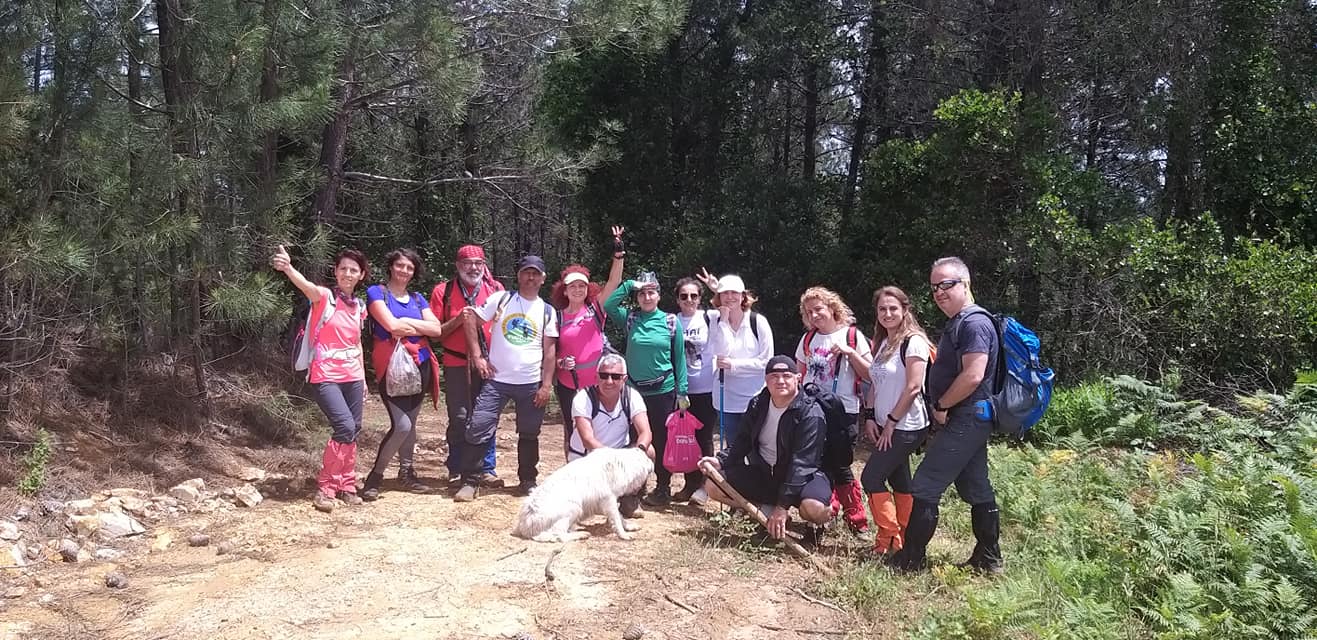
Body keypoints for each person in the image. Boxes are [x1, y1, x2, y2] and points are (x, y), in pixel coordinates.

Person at [888, 257, 1003, 573]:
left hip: (966, 417)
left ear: (965, 284)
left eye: (946, 284)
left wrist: (941, 406)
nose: (939, 292)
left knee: (925, 484)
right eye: (934, 287)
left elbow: (973, 375)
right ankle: (989, 558)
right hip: (970, 417)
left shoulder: (974, 324)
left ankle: (911, 559)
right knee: (975, 486)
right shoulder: (961, 322)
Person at [271, 245, 370, 513]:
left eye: (353, 270)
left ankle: (346, 485)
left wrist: (363, 379)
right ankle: (325, 487)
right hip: (325, 375)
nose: (348, 273)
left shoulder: (359, 306)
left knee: (353, 429)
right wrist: (288, 269)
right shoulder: (326, 297)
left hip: (352, 375)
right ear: (335, 272)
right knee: (344, 427)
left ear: (361, 275)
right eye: (343, 268)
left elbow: (357, 344)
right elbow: (308, 288)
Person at [454, 255, 560, 501]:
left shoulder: (547, 311)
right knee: (478, 427)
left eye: (535, 273)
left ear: (543, 278)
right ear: (519, 275)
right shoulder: (501, 299)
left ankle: (527, 481)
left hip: (530, 383)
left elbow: (550, 352)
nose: (531, 277)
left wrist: (546, 385)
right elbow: (470, 318)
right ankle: (470, 481)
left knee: (529, 433)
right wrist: (478, 356)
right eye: (526, 272)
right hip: (496, 381)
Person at [699, 355, 833, 541]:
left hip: (805, 477)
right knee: (713, 486)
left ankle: (817, 523)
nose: (780, 381)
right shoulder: (757, 404)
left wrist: (783, 506)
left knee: (814, 508)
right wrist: (720, 460)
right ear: (766, 380)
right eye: (774, 376)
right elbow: (743, 441)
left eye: (786, 376)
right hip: (767, 473)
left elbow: (802, 464)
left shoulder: (810, 413)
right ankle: (768, 515)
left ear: (798, 378)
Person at [361, 249, 445, 500]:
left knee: (411, 424)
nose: (404, 271)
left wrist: (405, 326)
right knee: (402, 425)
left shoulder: (418, 299)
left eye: (409, 267)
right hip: (392, 366)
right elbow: (391, 326)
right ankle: (375, 477)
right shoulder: (377, 293)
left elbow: (437, 329)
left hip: (420, 364)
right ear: (391, 267)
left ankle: (406, 473)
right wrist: (419, 327)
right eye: (400, 265)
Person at [603, 270, 688, 507]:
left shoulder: (670, 321)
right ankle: (636, 487)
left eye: (651, 292)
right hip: (634, 391)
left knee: (661, 440)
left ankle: (663, 487)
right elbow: (609, 305)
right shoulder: (631, 319)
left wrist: (682, 391)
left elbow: (679, 358)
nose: (647, 297)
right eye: (642, 293)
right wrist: (630, 284)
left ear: (659, 296)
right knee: (635, 439)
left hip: (663, 390)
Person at [858, 286, 932, 555]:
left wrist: (890, 422)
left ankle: (888, 539)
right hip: (884, 424)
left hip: (906, 426)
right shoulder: (883, 343)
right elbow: (875, 383)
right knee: (900, 480)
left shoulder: (914, 342)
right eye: (882, 309)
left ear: (904, 310)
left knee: (871, 478)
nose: (887, 313)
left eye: (893, 308)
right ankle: (905, 538)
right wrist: (870, 416)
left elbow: (913, 387)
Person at [794, 287, 872, 534]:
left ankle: (856, 520)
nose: (814, 315)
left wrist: (850, 353)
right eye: (809, 312)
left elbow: (870, 374)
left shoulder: (851, 336)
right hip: (812, 410)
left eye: (818, 309)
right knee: (815, 462)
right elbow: (800, 374)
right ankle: (822, 518)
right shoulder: (808, 339)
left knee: (840, 464)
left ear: (832, 308)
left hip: (843, 410)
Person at [549, 226, 626, 459]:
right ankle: (573, 470)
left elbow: (614, 281)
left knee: (600, 428)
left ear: (587, 289)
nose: (577, 290)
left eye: (581, 286)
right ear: (564, 291)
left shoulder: (596, 310)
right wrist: (561, 363)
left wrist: (618, 253)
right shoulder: (557, 316)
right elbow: (551, 352)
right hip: (568, 385)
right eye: (572, 286)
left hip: (597, 383)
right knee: (572, 429)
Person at [429, 245, 502, 487]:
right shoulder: (444, 291)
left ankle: (486, 468)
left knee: (487, 416)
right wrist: (459, 319)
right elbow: (435, 333)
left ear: (484, 265)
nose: (473, 268)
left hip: (489, 363)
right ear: (458, 265)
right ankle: (457, 467)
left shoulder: (496, 290)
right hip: (456, 362)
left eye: (478, 263)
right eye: (467, 263)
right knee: (460, 417)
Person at [697, 270, 774, 452]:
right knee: (733, 449)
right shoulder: (715, 320)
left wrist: (734, 365)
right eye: (725, 293)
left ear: (743, 296)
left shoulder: (758, 322)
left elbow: (766, 362)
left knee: (757, 448)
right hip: (726, 399)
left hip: (755, 397)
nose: (729, 297)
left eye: (734, 293)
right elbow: (721, 352)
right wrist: (724, 320)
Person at [670, 277, 716, 505]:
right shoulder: (672, 322)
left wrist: (716, 288)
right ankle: (690, 484)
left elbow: (734, 309)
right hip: (682, 390)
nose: (689, 300)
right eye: (684, 296)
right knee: (686, 438)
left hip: (707, 388)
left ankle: (706, 486)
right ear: (677, 300)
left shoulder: (710, 317)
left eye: (694, 296)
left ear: (700, 298)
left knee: (704, 438)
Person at [567, 354, 653, 461]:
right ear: (597, 377)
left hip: (619, 454)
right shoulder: (583, 398)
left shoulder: (632, 396)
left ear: (624, 379)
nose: (609, 381)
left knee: (649, 451)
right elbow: (587, 440)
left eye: (616, 377)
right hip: (587, 457)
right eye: (604, 375)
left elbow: (645, 432)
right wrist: (613, 459)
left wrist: (639, 450)